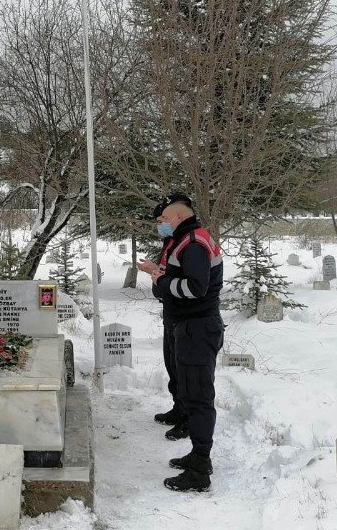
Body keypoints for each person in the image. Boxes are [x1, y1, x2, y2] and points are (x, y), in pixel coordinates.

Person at [140, 193, 224, 492]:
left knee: (199, 398)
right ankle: (197, 455)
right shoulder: (183, 240)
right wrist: (159, 274)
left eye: (163, 220)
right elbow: (181, 278)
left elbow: (196, 287)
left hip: (198, 328)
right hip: (188, 327)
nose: (160, 225)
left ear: (177, 217)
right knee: (190, 391)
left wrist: (161, 282)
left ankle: (200, 469)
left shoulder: (193, 244)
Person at [137, 199, 184, 435]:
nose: (160, 225)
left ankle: (187, 417)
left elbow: (188, 282)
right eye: (158, 222)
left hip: (184, 316)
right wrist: (155, 269)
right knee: (172, 366)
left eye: (162, 220)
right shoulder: (169, 242)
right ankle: (178, 407)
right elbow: (167, 272)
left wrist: (160, 277)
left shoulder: (186, 243)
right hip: (170, 313)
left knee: (183, 370)